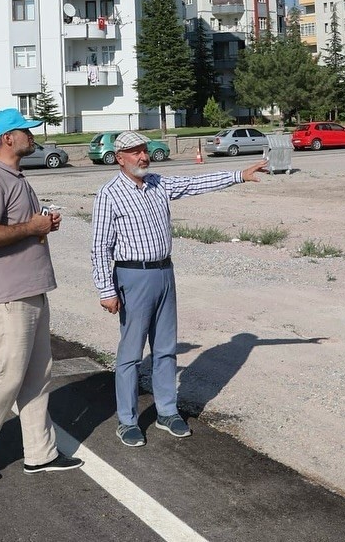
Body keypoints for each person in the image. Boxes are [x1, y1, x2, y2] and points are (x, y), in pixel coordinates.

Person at [90, 130, 267, 447]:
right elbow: (99, 247)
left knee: (165, 349)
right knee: (131, 355)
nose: (143, 156)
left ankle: (167, 411)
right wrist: (106, 289)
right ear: (119, 158)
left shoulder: (158, 184)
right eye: (134, 152)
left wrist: (239, 175)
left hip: (163, 273)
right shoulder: (109, 194)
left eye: (144, 150)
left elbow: (195, 183)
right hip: (132, 277)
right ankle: (128, 420)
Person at [0, 108, 83, 483]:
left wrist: (41, 226)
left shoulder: (17, 176)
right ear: (8, 138)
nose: (32, 135)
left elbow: (19, 228)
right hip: (10, 295)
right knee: (9, 377)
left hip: (32, 289)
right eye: (26, 130)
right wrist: (33, 226)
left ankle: (40, 454)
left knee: (38, 376)